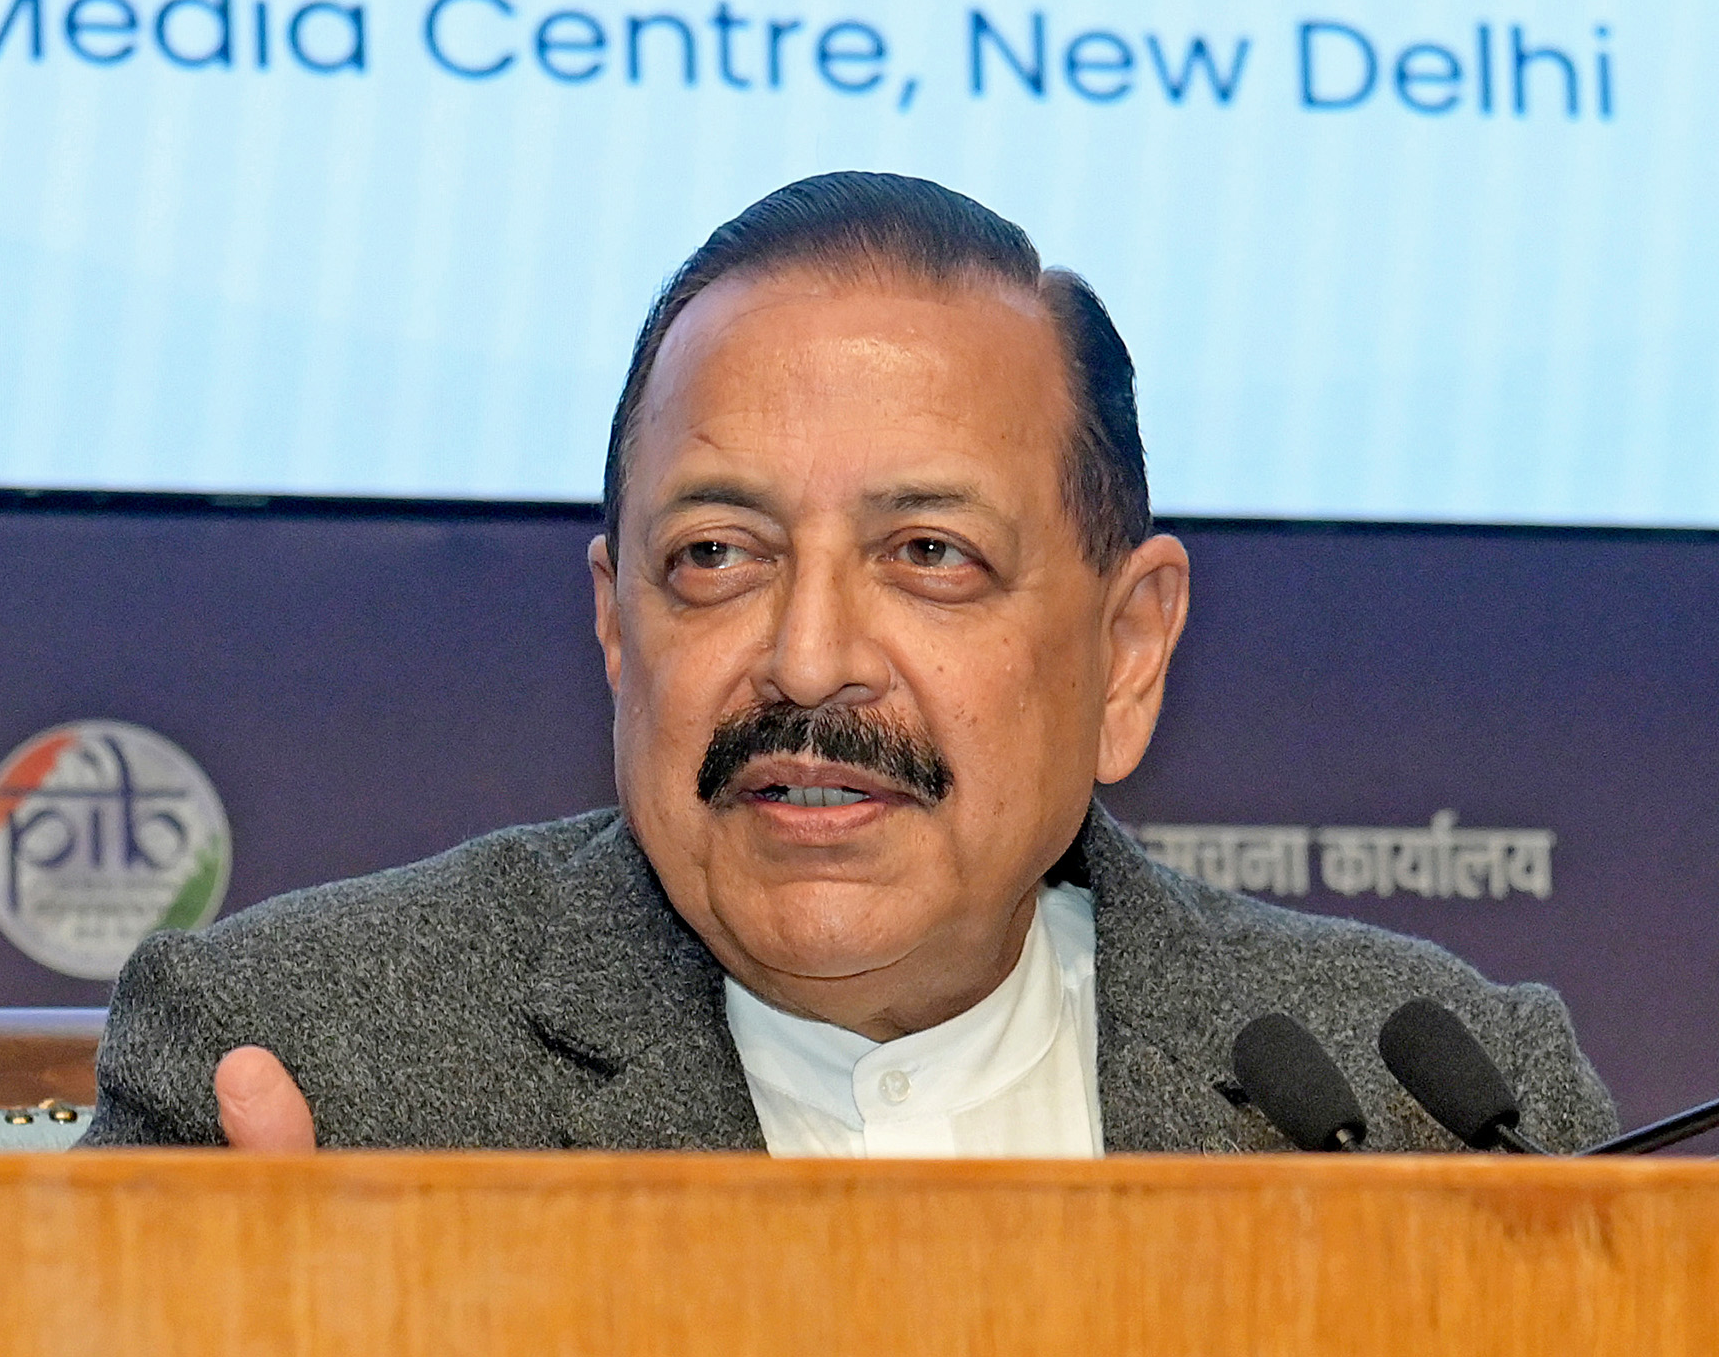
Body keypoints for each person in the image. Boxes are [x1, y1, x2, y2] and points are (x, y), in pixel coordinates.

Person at [85, 172, 1614, 1155]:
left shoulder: (1450, 1109)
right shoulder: (306, 1069)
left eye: (929, 553)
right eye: (717, 555)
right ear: (617, 625)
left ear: (1127, 650)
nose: (809, 660)